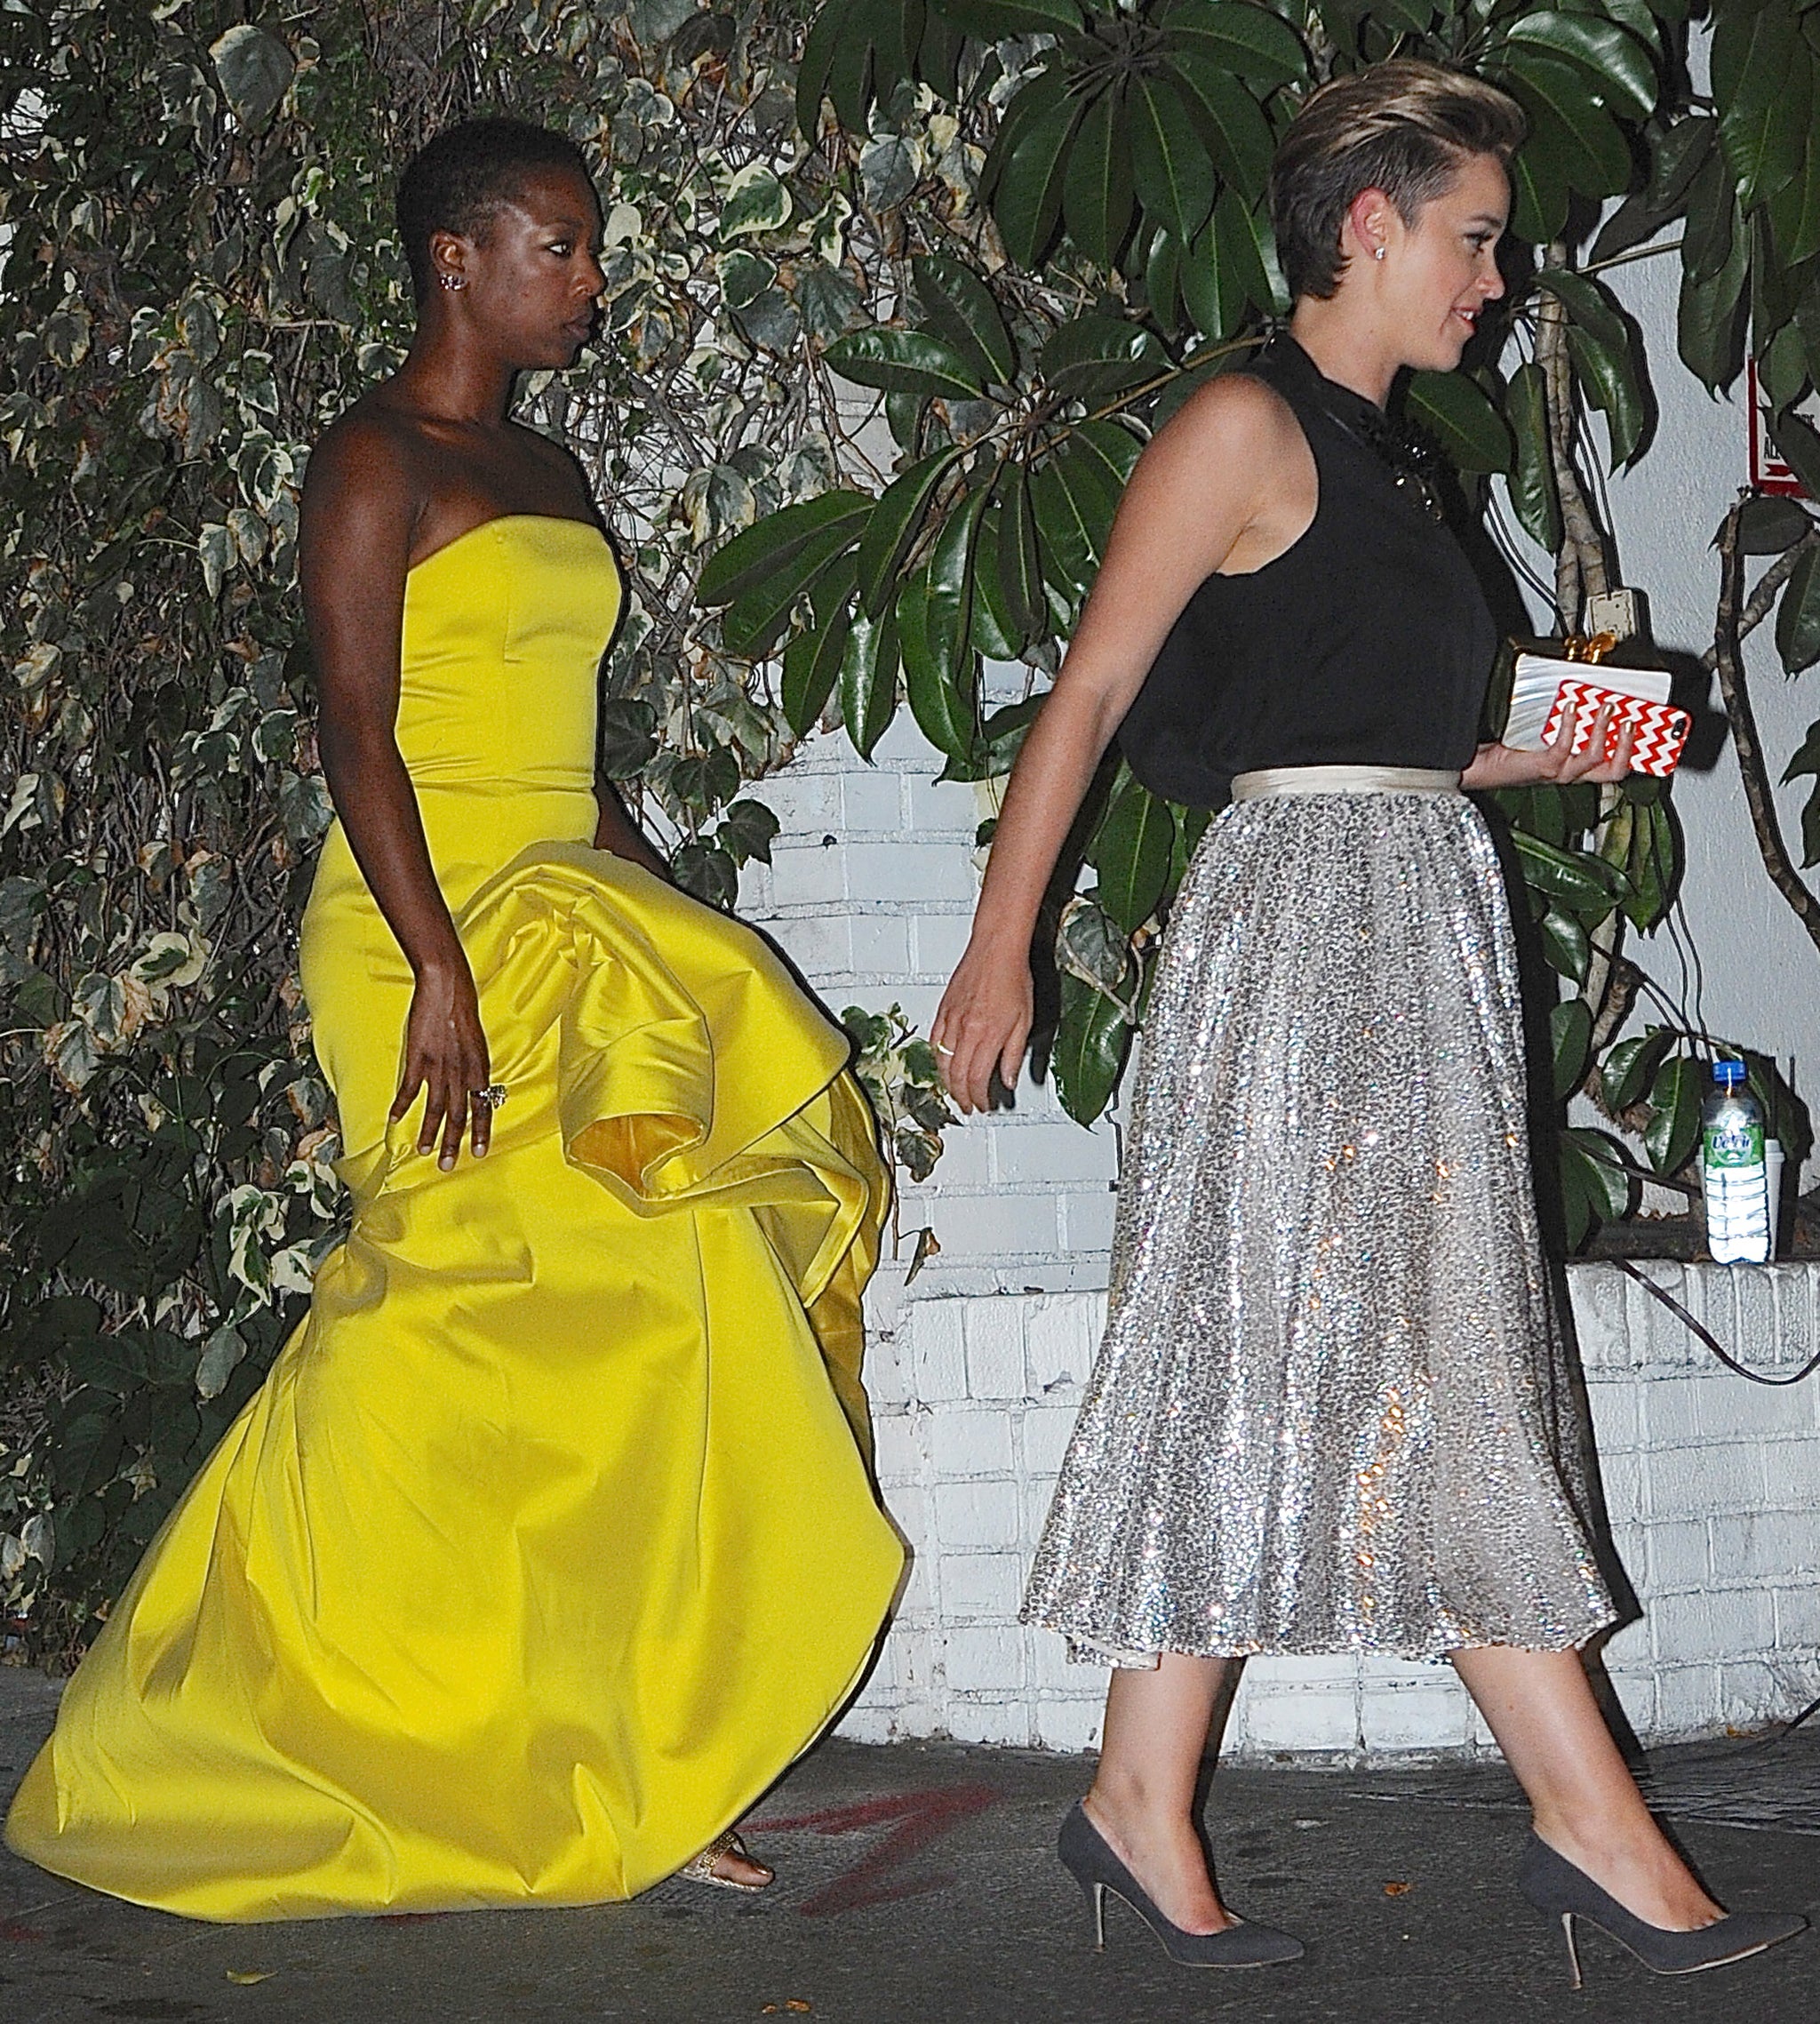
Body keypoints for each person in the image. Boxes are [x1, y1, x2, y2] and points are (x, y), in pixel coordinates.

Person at [932, 61, 1806, 1982]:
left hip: (1414, 910)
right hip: (1301, 927)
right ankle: (1588, 1820)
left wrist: (1580, 742)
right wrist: (999, 950)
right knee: (1396, 1349)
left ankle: (1138, 1801)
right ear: (1367, 228)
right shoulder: (1241, 420)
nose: (1498, 276)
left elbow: (1387, 723)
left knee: (1304, 1346)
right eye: (1477, 238)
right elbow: (1087, 698)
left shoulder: (1405, 462)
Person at [5, 116, 903, 1921]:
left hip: (564, 913)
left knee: (663, 1307)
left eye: (586, 248)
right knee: (432, 1334)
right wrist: (434, 961)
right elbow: (358, 728)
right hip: (421, 933)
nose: (588, 281)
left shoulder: (552, 468)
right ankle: (224, 1718)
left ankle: (627, 1755)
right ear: (456, 257)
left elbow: (568, 740)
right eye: (557, 248)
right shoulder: (374, 457)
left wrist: (664, 907)